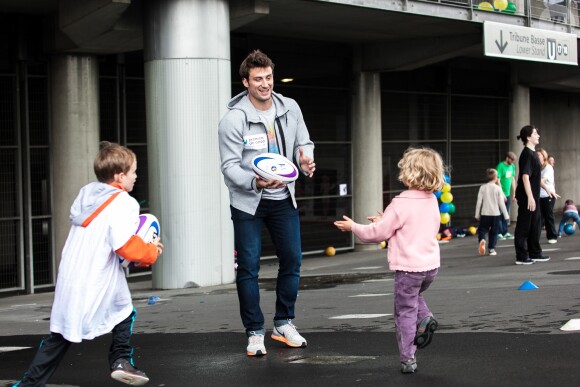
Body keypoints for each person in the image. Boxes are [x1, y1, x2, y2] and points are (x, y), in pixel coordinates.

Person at [13, 142, 164, 387]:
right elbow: (125, 246)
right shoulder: (125, 203)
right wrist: (151, 251)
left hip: (75, 271)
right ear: (120, 175)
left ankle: (31, 383)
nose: (136, 176)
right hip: (97, 274)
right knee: (121, 314)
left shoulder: (87, 194)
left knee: (69, 331)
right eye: (134, 171)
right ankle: (120, 361)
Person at [218, 49, 315, 356]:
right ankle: (255, 331)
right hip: (249, 203)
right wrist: (254, 181)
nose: (265, 84)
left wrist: (306, 157)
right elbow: (230, 166)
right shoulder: (233, 120)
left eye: (269, 77)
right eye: (258, 79)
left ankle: (284, 322)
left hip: (284, 197)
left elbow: (305, 142)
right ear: (245, 82)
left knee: (293, 260)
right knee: (248, 268)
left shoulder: (290, 108)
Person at [334, 147, 444, 374]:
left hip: (408, 268)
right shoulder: (432, 200)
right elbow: (416, 225)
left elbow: (377, 234)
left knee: (403, 311)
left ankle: (408, 358)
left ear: (409, 173)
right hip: (430, 267)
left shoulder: (400, 203)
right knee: (414, 296)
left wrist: (353, 226)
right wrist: (386, 220)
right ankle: (425, 318)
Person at [514, 125, 550, 265]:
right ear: (528, 137)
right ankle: (522, 256)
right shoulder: (527, 154)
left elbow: (535, 177)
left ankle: (535, 253)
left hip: (533, 196)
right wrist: (529, 197)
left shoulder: (533, 153)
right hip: (527, 197)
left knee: (535, 225)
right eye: (535, 133)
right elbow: (525, 177)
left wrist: (547, 188)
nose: (538, 135)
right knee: (524, 226)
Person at [475, 168, 509, 256]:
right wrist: (506, 215)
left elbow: (479, 201)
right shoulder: (497, 188)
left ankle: (482, 239)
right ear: (495, 177)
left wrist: (477, 214)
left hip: (485, 213)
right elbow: (501, 203)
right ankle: (491, 249)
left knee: (482, 229)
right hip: (495, 214)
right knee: (494, 232)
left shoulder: (482, 187)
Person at [536, 147, 560, 244]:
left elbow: (542, 181)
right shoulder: (537, 167)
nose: (536, 157)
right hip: (538, 196)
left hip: (548, 196)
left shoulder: (548, 168)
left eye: (538, 155)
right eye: (535, 155)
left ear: (543, 156)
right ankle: (534, 238)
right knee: (538, 218)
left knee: (548, 216)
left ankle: (552, 236)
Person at [496, 151, 517, 240]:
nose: (512, 162)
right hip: (500, 194)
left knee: (506, 213)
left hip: (507, 194)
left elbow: (512, 179)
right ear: (507, 158)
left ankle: (505, 232)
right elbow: (498, 180)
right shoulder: (501, 166)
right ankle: (498, 232)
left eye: (513, 161)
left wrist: (514, 193)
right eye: (511, 160)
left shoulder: (512, 166)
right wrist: (501, 193)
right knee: (499, 213)